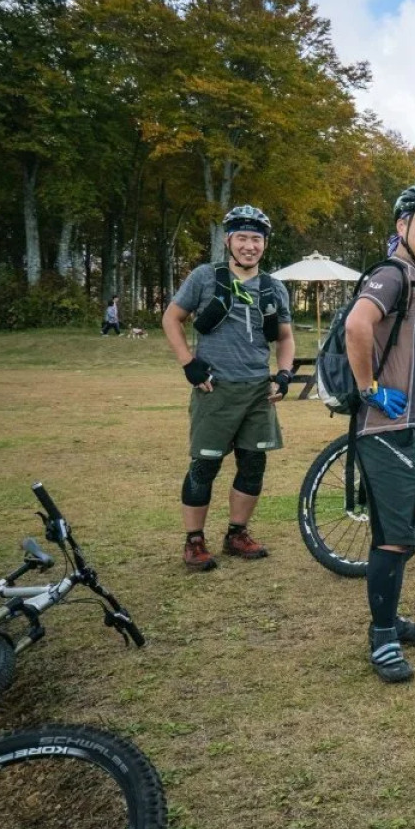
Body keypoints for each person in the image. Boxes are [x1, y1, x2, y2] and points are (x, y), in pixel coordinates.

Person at [343, 184, 415, 682]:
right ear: (402, 227)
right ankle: (383, 637)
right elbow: (357, 326)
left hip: (412, 424)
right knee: (393, 537)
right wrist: (369, 388)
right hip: (387, 426)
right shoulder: (392, 275)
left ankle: (391, 618)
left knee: (402, 529)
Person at [162, 206, 294, 572]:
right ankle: (194, 541)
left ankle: (237, 534)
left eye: (257, 239)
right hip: (214, 389)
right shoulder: (205, 277)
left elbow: (284, 337)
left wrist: (284, 374)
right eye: (242, 238)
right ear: (229, 241)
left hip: (258, 392)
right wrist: (189, 363)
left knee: (253, 465)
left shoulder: (273, 288)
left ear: (265, 244)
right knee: (204, 466)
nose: (250, 246)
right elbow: (171, 318)